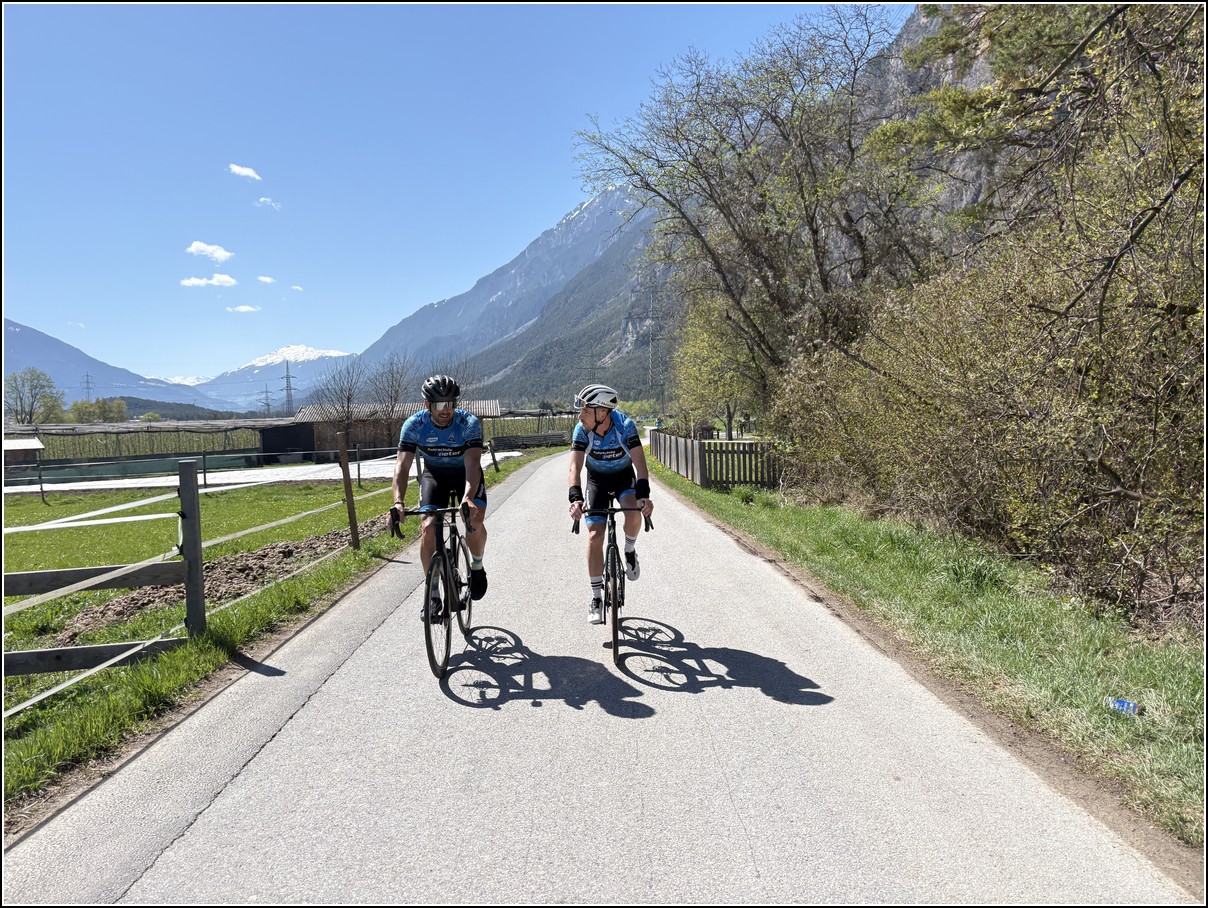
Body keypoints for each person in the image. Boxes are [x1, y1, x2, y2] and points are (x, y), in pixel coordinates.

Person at [391, 374, 488, 618]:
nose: (446, 410)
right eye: (440, 404)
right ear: (427, 405)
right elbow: (402, 467)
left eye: (451, 403)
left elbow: (473, 464)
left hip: (465, 475)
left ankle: (477, 567)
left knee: (474, 520)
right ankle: (433, 592)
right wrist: (398, 502)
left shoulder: (468, 423)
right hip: (434, 476)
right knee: (427, 527)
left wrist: (468, 498)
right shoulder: (414, 425)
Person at [567, 383, 654, 624]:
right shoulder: (581, 430)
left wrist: (643, 495)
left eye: (586, 410)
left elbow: (640, 465)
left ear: (603, 412)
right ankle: (596, 597)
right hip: (597, 481)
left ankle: (629, 550)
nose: (580, 415)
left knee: (633, 511)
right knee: (595, 535)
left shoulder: (625, 426)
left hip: (624, 477)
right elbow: (574, 467)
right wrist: (575, 498)